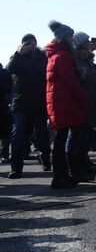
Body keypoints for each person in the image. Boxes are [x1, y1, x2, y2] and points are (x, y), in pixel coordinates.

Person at [45, 21, 87, 189]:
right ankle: (59, 176)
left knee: (61, 140)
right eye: (70, 36)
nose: (72, 40)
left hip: (59, 101)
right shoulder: (63, 56)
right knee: (61, 141)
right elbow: (70, 81)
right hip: (64, 102)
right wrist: (82, 98)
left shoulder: (54, 55)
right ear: (64, 38)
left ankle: (62, 174)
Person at [6, 34, 51, 178]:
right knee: (18, 135)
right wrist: (18, 53)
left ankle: (45, 160)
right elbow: (10, 69)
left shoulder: (42, 57)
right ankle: (16, 168)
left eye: (32, 43)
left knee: (42, 134)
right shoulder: (18, 58)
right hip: (21, 103)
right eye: (27, 43)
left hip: (38, 102)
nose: (30, 45)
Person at [71, 32, 96, 180]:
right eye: (87, 41)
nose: (90, 42)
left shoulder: (87, 60)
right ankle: (77, 170)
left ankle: (83, 166)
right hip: (82, 106)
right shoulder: (77, 60)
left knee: (85, 139)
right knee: (77, 139)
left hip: (90, 105)